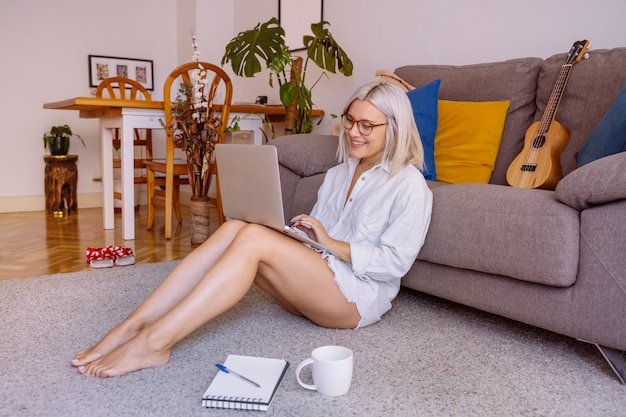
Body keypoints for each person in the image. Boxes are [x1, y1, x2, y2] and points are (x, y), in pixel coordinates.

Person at [71, 82, 433, 378]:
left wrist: (329, 243)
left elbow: (394, 264)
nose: (353, 132)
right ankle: (133, 325)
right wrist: (299, 234)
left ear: (395, 129)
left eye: (367, 125)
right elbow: (318, 244)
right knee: (237, 227)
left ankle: (153, 344)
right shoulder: (339, 173)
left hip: (355, 300)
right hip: (316, 283)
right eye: (351, 121)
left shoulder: (408, 185)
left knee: (255, 239)